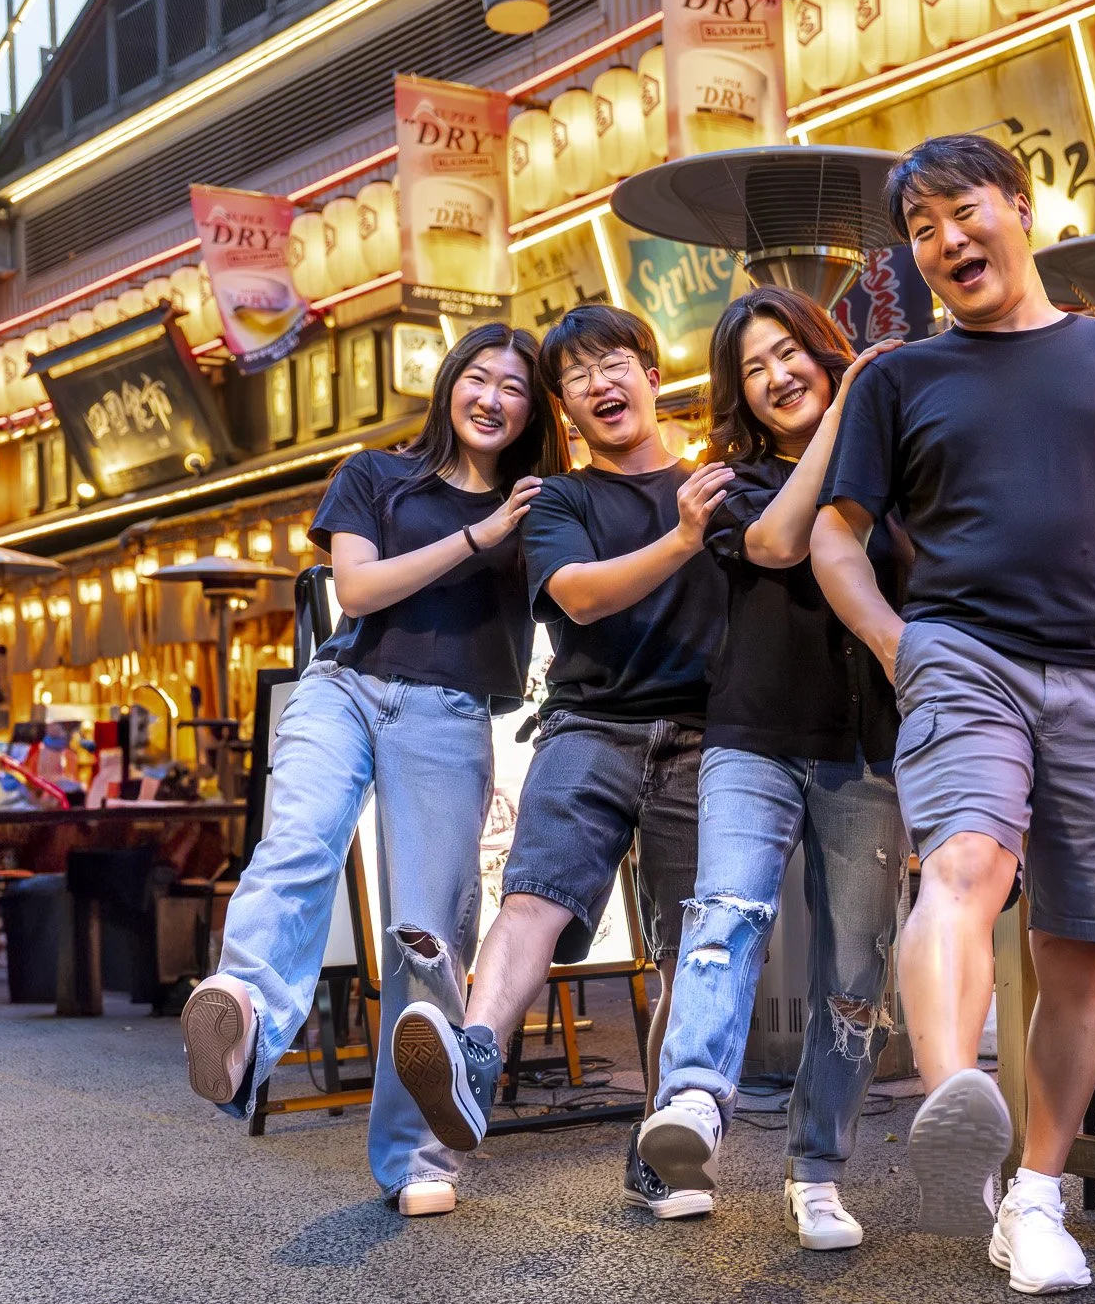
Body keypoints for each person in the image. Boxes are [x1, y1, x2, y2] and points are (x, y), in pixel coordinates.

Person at [810, 135, 1095, 1294]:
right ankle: (958, 1110)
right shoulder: (897, 377)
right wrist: (898, 645)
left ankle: (1033, 1200)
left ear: (1020, 209)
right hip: (964, 657)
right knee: (965, 863)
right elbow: (832, 535)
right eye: (922, 227)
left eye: (961, 211)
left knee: (1076, 947)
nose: (946, 241)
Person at [179, 322, 566, 1216]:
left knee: (426, 935)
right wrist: (480, 537)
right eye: (478, 377)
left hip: (452, 713)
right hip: (347, 687)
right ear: (449, 385)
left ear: (532, 407)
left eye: (514, 386)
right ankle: (239, 1011)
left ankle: (418, 1159)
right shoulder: (376, 475)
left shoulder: (542, 503)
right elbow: (355, 590)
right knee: (301, 840)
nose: (493, 398)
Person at [391, 303, 735, 1219]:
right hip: (588, 725)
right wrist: (683, 540)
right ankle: (462, 1082)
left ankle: (662, 1146)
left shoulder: (716, 484)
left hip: (706, 736)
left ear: (654, 376)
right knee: (535, 898)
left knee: (682, 952)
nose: (600, 385)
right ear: (564, 408)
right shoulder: (562, 500)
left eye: (616, 363)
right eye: (577, 377)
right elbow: (578, 599)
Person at [634, 287, 904, 1252]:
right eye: (755, 368)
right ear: (740, 397)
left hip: (868, 752)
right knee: (728, 913)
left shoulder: (895, 466)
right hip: (749, 738)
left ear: (825, 349)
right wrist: (841, 414)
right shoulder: (730, 484)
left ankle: (818, 1169)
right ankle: (695, 1103)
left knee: (854, 969)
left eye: (790, 352)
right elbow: (780, 543)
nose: (779, 375)